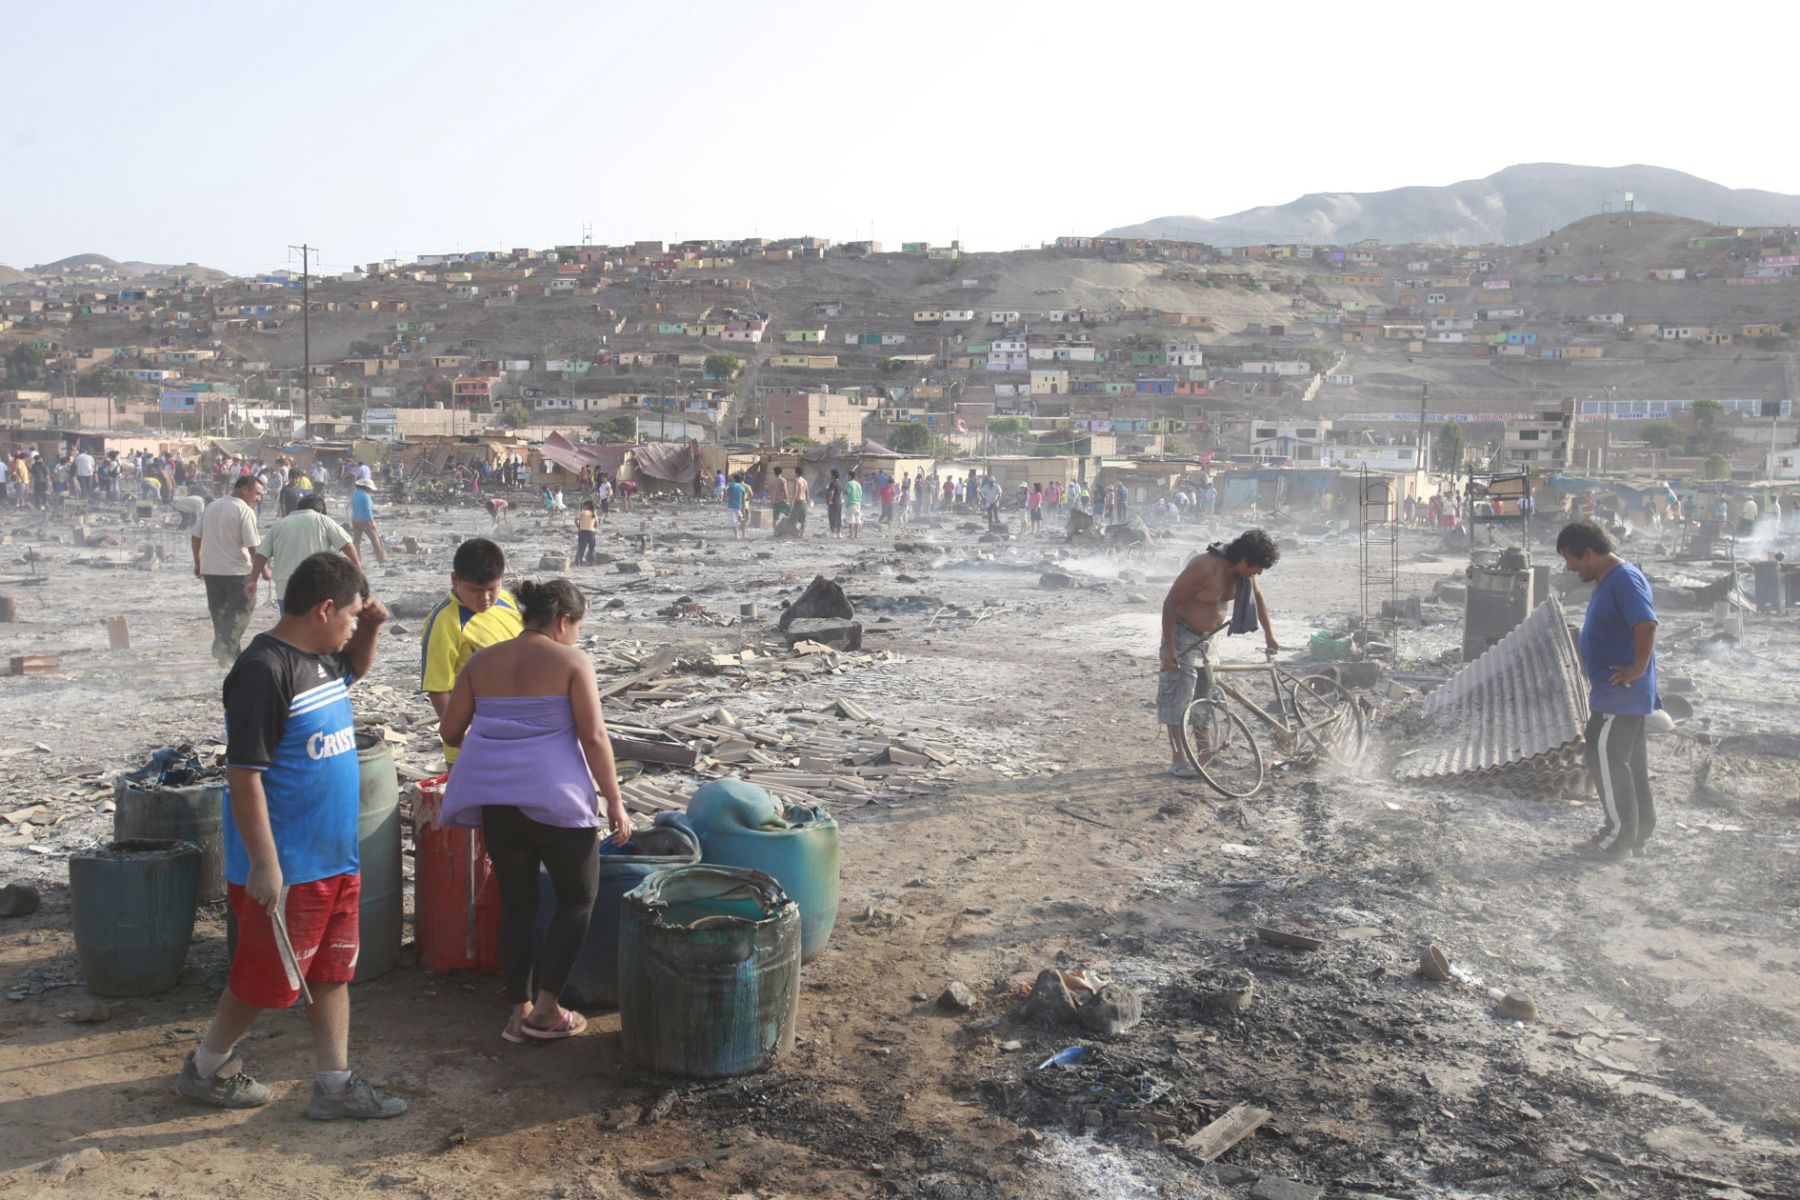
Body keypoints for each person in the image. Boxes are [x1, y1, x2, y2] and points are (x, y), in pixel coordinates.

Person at [175, 552, 406, 1120]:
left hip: (335, 857)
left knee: (331, 972)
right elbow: (243, 775)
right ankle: (206, 1068)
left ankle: (334, 1084)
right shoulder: (263, 670)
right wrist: (265, 863)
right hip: (290, 863)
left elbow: (355, 666)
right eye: (351, 614)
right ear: (324, 609)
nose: (355, 623)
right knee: (262, 981)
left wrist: (372, 624)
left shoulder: (321, 660)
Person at [437, 579, 629, 1043]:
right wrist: (615, 801)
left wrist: (503, 737)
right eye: (578, 628)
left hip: (498, 801)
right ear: (563, 622)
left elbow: (450, 730)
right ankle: (547, 1011)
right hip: (556, 798)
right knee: (577, 898)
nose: (578, 637)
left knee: (517, 906)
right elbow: (594, 737)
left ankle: (516, 1012)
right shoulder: (571, 661)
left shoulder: (482, 662)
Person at [1558, 520, 1660, 860]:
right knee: (1627, 762)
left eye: (1570, 559)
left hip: (1621, 693)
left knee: (1605, 757)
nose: (1568, 567)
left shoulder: (1625, 579)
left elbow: (1646, 624)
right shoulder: (1610, 579)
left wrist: (1637, 669)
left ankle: (1616, 838)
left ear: (1589, 553)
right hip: (1618, 693)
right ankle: (1639, 830)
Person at [1158, 530, 1281, 777]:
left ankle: (1204, 754)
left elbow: (1257, 598)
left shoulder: (1244, 576)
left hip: (1209, 639)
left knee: (1206, 694)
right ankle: (1178, 757)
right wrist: (1169, 648)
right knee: (1178, 696)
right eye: (1256, 567)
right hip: (1183, 636)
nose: (1258, 573)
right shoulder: (1204, 568)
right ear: (1244, 559)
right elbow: (1171, 602)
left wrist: (1269, 634)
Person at [420, 538, 523, 762]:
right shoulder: (445, 622)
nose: (485, 598)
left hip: (516, 736)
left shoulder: (506, 601)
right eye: (475, 590)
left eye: (491, 589)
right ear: (455, 580)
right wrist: (461, 738)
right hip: (475, 747)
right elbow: (438, 688)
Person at [194, 475, 266, 667]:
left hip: (211, 570)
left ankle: (229, 657)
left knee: (220, 614)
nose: (258, 498)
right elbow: (253, 546)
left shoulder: (212, 506)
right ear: (244, 490)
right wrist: (264, 569)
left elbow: (195, 536)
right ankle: (224, 648)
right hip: (237, 571)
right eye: (257, 493)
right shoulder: (244, 510)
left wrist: (198, 562)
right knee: (241, 610)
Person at [250, 495, 359, 610]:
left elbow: (261, 555)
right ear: (321, 510)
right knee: (318, 625)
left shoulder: (279, 525)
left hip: (286, 589)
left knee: (292, 626)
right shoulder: (323, 520)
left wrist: (253, 581)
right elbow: (347, 545)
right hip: (317, 587)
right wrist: (357, 567)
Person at [349, 479, 388, 564]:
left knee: (356, 541)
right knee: (375, 540)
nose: (371, 490)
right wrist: (372, 521)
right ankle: (382, 559)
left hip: (355, 520)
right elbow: (367, 510)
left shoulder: (355, 494)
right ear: (366, 487)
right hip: (365, 521)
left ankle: (355, 559)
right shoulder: (366, 496)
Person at [724, 472, 749, 540]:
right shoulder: (742, 487)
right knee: (741, 519)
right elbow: (743, 500)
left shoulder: (730, 484)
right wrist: (743, 510)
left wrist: (726, 496)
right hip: (739, 506)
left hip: (731, 506)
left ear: (734, 479)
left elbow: (725, 489)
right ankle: (744, 533)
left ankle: (737, 535)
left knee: (733, 521)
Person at [843, 469, 864, 540]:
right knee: (857, 519)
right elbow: (861, 494)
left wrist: (843, 491)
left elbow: (848, 493)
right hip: (858, 504)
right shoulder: (858, 484)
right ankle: (856, 535)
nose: (847, 477)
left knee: (851, 519)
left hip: (851, 504)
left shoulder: (849, 484)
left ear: (850, 476)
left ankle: (851, 535)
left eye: (848, 476)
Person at [790, 468, 810, 535]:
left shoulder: (796, 480)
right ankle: (801, 534)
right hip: (803, 502)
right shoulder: (805, 481)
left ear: (796, 473)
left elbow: (795, 493)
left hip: (798, 502)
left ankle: (795, 533)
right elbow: (807, 492)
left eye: (795, 472)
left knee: (793, 519)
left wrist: (791, 502)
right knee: (803, 520)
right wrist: (808, 502)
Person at [826, 469, 843, 537]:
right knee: (838, 517)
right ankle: (839, 533)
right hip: (839, 503)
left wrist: (829, 501)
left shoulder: (833, 483)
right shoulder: (840, 483)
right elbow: (841, 493)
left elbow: (831, 492)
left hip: (833, 503)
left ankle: (833, 533)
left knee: (833, 517)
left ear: (833, 475)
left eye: (831, 474)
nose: (830, 476)